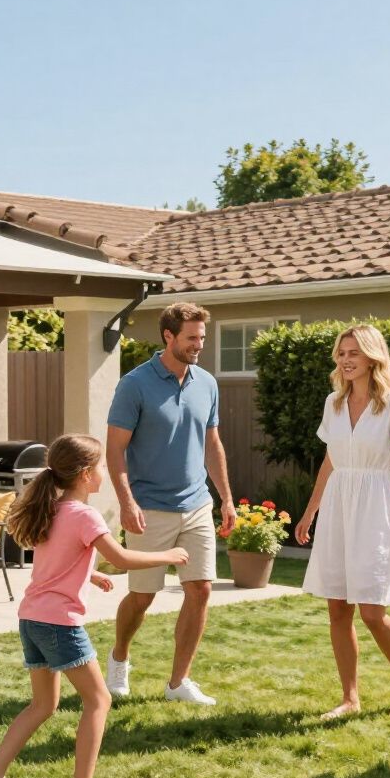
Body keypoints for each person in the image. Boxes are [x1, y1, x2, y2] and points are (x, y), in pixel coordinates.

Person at [0, 433, 188, 778]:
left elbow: (56, 562)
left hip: (32, 619)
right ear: (86, 474)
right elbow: (120, 557)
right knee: (99, 700)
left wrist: (89, 574)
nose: (104, 472)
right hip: (59, 624)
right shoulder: (84, 515)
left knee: (42, 705)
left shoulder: (49, 509)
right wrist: (168, 555)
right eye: (101, 466)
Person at [104, 301, 236, 706]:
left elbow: (212, 444)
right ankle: (119, 657)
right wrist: (126, 503)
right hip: (150, 508)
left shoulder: (206, 383)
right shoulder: (135, 384)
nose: (199, 345)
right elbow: (115, 451)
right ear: (168, 336)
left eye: (202, 338)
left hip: (196, 503)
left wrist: (226, 499)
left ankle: (178, 682)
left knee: (200, 590)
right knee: (143, 596)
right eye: (191, 338)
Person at [296, 324, 390, 720]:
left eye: (353, 353)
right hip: (338, 504)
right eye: (341, 353)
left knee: (371, 609)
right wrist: (310, 509)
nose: (346, 360)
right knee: (338, 606)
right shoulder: (332, 403)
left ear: (373, 357)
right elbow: (331, 459)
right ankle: (350, 697)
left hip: (376, 505)